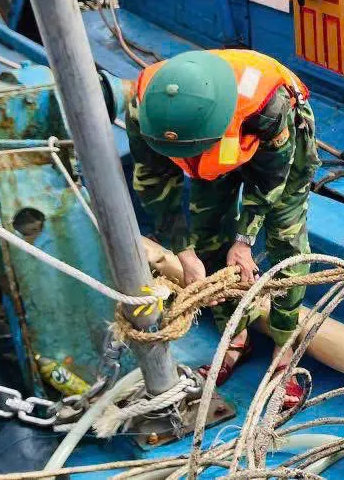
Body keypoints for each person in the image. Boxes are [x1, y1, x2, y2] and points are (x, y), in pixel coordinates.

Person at [128, 49, 318, 406]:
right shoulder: (145, 108)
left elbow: (272, 179)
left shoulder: (268, 104)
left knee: (286, 238)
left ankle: (285, 348)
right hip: (212, 148)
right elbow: (153, 180)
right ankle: (237, 337)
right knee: (208, 236)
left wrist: (245, 240)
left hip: (273, 144)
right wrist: (184, 253)